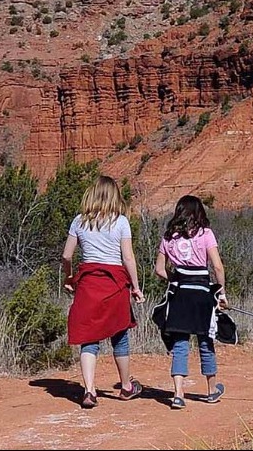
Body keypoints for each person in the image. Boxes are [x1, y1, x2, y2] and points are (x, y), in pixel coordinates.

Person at [61, 175, 145, 408]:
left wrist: (69, 277)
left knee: (89, 337)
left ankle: (89, 391)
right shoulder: (121, 222)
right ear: (114, 195)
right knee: (120, 334)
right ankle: (126, 387)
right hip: (115, 284)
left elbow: (67, 255)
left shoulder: (79, 221)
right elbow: (128, 257)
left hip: (88, 284)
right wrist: (136, 287)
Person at [154, 195, 227, 410]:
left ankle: (178, 394)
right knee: (206, 342)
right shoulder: (206, 234)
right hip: (202, 294)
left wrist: (177, 278)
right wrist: (221, 292)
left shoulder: (168, 237)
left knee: (180, 344)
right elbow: (218, 267)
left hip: (179, 295)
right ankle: (212, 390)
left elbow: (159, 270)